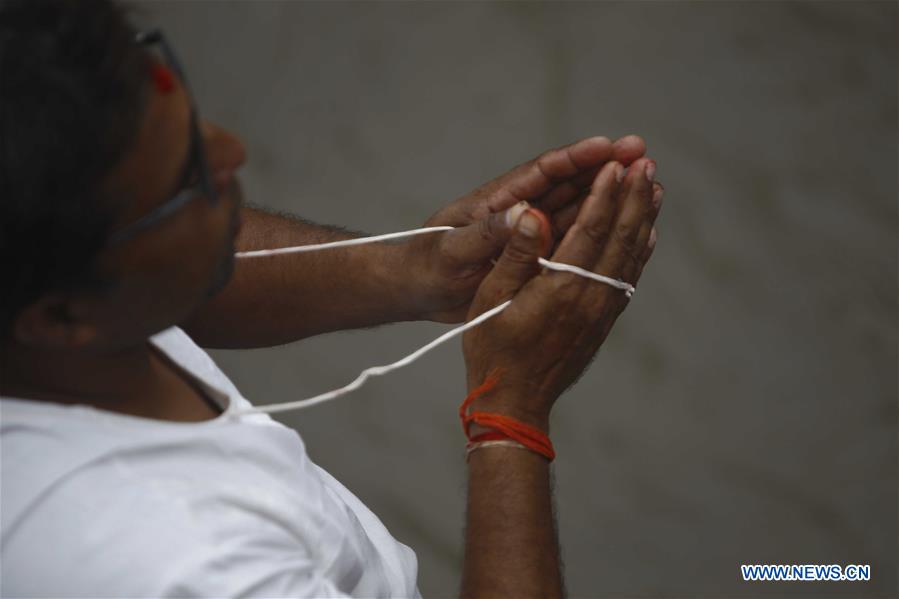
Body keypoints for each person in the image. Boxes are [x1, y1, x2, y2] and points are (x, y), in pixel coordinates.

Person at [0, 0, 663, 597]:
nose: (234, 151)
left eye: (191, 127)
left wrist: (418, 269)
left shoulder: (50, 294)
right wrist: (509, 411)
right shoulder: (181, 563)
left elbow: (161, 286)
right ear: (61, 316)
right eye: (189, 180)